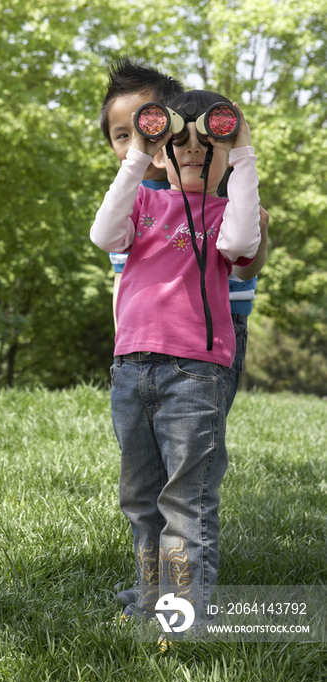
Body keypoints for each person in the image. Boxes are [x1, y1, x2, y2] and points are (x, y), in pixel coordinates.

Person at [101, 59, 269, 610]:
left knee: (186, 499)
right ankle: (153, 592)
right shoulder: (144, 202)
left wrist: (241, 151)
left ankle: (181, 608)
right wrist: (137, 157)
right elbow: (105, 235)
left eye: (209, 144)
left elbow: (244, 245)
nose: (193, 151)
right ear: (163, 148)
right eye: (182, 142)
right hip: (131, 369)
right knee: (140, 497)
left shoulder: (225, 211)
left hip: (194, 374)